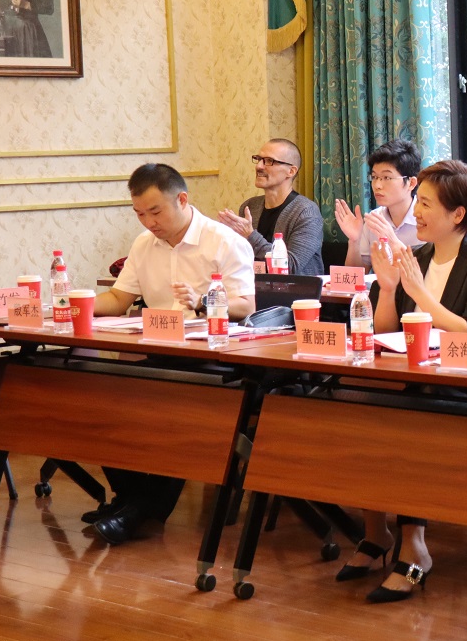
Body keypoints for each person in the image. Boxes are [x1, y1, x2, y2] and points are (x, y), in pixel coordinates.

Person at [333, 160, 467, 604]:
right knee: (352, 399)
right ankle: (376, 532)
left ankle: (415, 547)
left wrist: (419, 293)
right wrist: (390, 289)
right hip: (414, 377)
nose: (418, 212)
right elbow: (386, 330)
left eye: (426, 204)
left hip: (464, 386)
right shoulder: (418, 258)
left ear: (458, 214)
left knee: (406, 415)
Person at [90, 163, 256, 545]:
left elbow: (245, 306)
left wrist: (203, 302)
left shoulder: (224, 241)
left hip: (211, 357)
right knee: (100, 402)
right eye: (139, 214)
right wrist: (69, 304)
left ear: (182, 199)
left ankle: (135, 509)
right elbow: (118, 299)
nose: (149, 222)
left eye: (155, 211)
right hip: (159, 351)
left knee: (171, 410)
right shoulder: (143, 244)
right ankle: (131, 501)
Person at [218, 139, 324, 275]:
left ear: (291, 171)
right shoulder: (250, 206)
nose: (259, 166)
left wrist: (250, 235)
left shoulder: (306, 211)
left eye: (269, 161)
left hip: (297, 288)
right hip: (253, 287)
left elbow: (290, 266)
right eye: (258, 159)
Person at [334, 139, 424, 271]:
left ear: (411, 183)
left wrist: (391, 239)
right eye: (374, 177)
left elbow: (428, 275)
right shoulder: (374, 218)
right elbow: (356, 276)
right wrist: (354, 241)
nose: (377, 185)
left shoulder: (426, 218)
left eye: (387, 178)